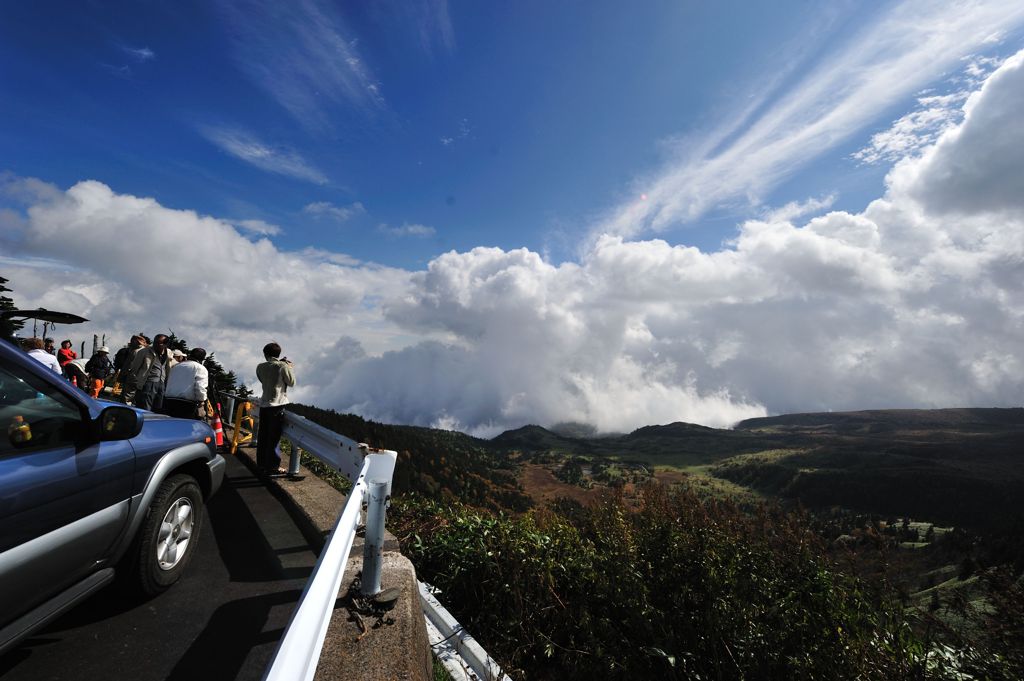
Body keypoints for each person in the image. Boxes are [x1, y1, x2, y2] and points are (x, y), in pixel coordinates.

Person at [255, 342, 295, 476]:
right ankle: (272, 466)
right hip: (277, 405)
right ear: (278, 354)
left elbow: (263, 380)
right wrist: (289, 367)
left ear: (265, 354)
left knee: (263, 436)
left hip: (264, 404)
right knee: (274, 437)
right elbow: (291, 382)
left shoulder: (260, 367)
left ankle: (261, 464)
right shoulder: (283, 366)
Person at [128, 334, 176, 411]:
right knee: (145, 407)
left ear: (165, 344)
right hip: (147, 382)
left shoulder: (168, 353)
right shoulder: (144, 352)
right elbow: (135, 368)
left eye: (158, 343)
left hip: (162, 384)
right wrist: (137, 382)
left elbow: (169, 366)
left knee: (158, 408)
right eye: (155, 342)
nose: (155, 345)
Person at [163, 348, 209, 419]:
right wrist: (201, 402)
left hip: (168, 401)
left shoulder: (176, 366)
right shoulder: (200, 368)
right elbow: (200, 388)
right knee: (185, 427)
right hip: (186, 404)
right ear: (202, 359)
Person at [114, 334, 146, 403]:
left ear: (136, 342)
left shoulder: (136, 351)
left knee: (126, 397)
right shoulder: (143, 350)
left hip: (132, 377)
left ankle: (124, 412)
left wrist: (123, 376)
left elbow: (129, 366)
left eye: (132, 341)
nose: (131, 343)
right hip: (136, 377)